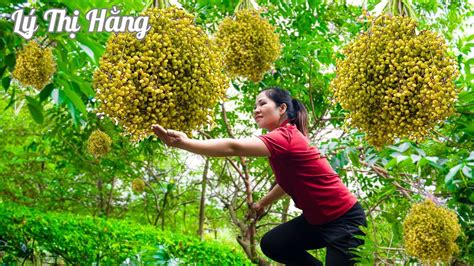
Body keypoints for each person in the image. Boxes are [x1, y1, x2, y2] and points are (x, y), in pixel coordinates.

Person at [152, 87, 366, 265]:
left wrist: (184, 143)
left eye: (262, 104)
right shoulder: (283, 142)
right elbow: (287, 183)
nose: (256, 110)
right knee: (274, 244)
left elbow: (233, 147)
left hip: (344, 220)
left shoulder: (286, 136)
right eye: (255, 106)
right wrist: (262, 203)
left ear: (282, 108)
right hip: (317, 221)